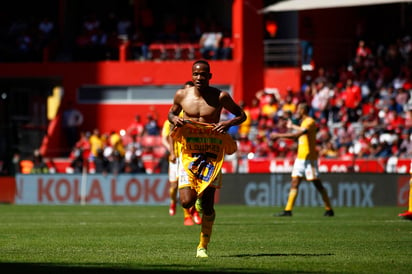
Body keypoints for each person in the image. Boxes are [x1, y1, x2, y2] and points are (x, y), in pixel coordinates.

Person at [168, 60, 246, 258]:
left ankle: (202, 246)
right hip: (189, 154)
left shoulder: (220, 96)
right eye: (196, 74)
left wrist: (228, 123)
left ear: (210, 76)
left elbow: (241, 115)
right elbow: (171, 113)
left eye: (203, 74)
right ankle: (195, 204)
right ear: (192, 75)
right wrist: (174, 119)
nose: (199, 77)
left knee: (209, 206)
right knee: (186, 202)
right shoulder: (181, 95)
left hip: (211, 155)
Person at [270, 103, 334, 217]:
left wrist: (279, 135)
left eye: (299, 109)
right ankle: (288, 210)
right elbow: (301, 131)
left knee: (317, 183)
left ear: (303, 110)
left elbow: (297, 135)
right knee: (294, 182)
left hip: (309, 159)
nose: (297, 111)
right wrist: (293, 126)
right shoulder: (304, 123)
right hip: (300, 158)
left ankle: (329, 209)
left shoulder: (310, 121)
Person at [162, 81, 202, 226]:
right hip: (179, 155)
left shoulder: (197, 110)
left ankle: (194, 212)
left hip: (194, 153)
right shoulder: (176, 113)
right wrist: (172, 152)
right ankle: (184, 212)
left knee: (195, 186)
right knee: (176, 187)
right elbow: (171, 134)